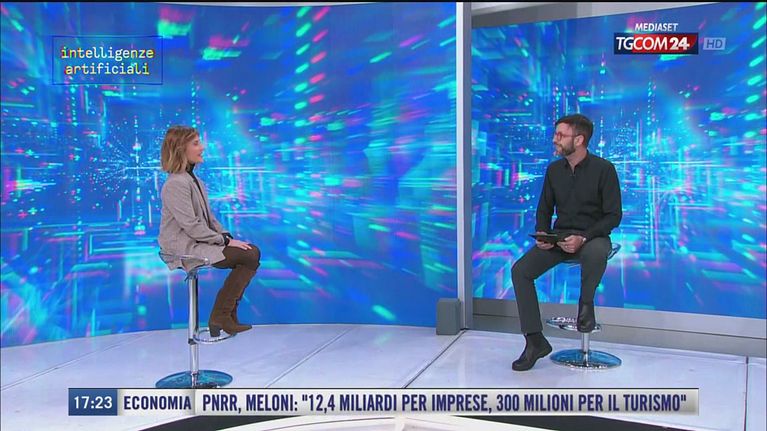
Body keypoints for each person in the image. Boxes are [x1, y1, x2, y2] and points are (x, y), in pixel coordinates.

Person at [511, 114, 622, 371]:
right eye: (555, 134)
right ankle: (534, 340)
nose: (555, 139)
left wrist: (584, 237)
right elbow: (544, 209)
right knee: (520, 271)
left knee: (594, 253)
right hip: (560, 238)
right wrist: (543, 234)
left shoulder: (604, 170)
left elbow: (613, 215)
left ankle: (586, 308)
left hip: (593, 236)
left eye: (561, 135)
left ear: (579, 140)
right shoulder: (554, 170)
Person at [158, 125, 261, 337]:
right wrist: (223, 242)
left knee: (250, 252)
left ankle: (224, 315)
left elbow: (209, 219)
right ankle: (221, 315)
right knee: (249, 255)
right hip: (183, 246)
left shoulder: (195, 180)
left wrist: (227, 237)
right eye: (196, 143)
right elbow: (191, 225)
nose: (202, 147)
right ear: (181, 149)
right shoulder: (175, 184)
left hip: (198, 240)